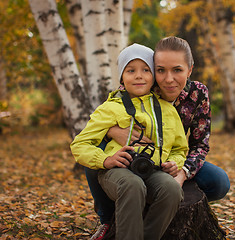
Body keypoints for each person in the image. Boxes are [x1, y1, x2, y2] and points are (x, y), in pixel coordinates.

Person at [87, 36, 231, 239]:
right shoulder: (142, 85)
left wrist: (182, 172)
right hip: (133, 153)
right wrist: (114, 131)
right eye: (161, 70)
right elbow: (109, 111)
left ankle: (158, 192)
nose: (168, 79)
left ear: (190, 69)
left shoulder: (198, 94)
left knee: (219, 182)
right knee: (94, 156)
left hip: (173, 157)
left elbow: (199, 144)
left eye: (178, 70)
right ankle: (107, 218)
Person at [71, 43, 189, 240]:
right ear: (121, 77)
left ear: (153, 76)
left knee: (171, 189)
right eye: (130, 70)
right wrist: (106, 160)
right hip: (117, 173)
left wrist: (174, 163)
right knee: (132, 185)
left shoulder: (168, 110)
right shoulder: (110, 108)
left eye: (145, 70)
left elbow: (180, 148)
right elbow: (79, 144)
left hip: (153, 170)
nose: (139, 76)